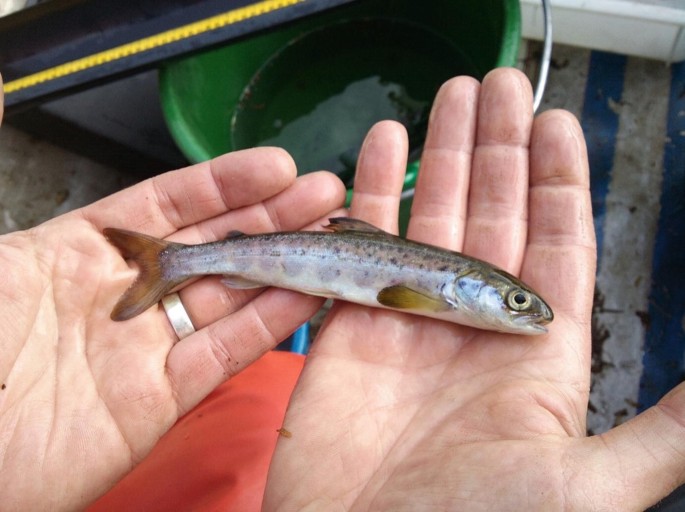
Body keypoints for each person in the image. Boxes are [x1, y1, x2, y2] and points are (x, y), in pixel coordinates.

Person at [0, 67, 682, 511]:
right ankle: (172, 263)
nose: (523, 314)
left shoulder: (449, 291)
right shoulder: (439, 292)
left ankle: (175, 263)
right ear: (468, 289)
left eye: (517, 305)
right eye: (513, 302)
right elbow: (399, 298)